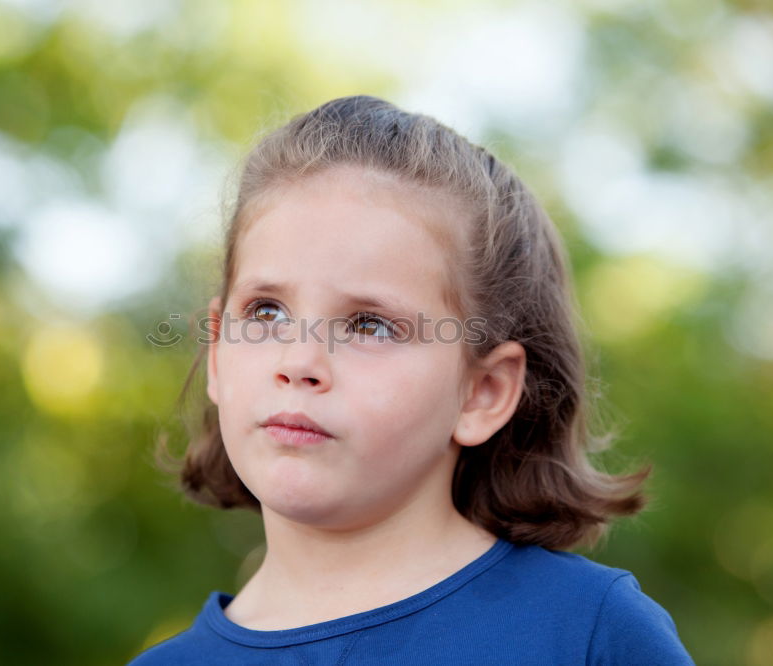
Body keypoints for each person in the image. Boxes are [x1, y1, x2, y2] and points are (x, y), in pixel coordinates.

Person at [129, 95, 695, 665]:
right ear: (220, 354)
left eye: (369, 325)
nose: (299, 361)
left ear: (483, 392)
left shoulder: (586, 632)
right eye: (266, 313)